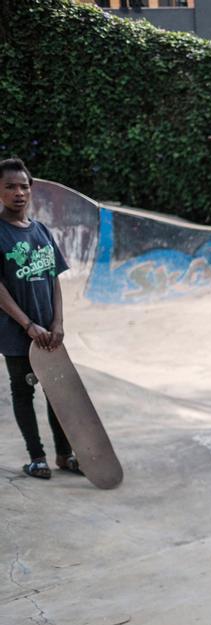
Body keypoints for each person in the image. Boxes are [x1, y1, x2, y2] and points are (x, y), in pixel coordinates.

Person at [0, 158, 81, 479]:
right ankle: (37, 458)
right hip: (16, 333)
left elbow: (54, 278)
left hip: (49, 332)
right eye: (10, 187)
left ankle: (65, 454)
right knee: (24, 391)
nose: (19, 193)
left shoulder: (42, 230)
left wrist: (58, 323)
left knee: (58, 393)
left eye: (24, 186)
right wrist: (27, 325)